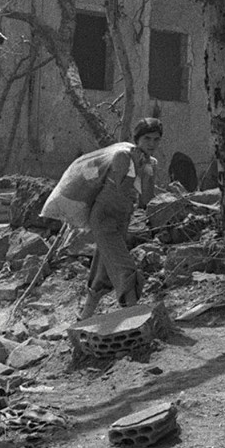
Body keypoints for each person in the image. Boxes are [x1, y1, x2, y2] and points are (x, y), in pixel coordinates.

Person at [80, 117, 163, 319]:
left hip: (122, 219)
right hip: (104, 217)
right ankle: (133, 317)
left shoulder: (150, 162)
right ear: (137, 139)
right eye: (147, 139)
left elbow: (146, 199)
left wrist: (148, 174)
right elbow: (121, 188)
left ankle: (84, 317)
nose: (151, 144)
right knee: (124, 266)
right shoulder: (123, 156)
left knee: (103, 269)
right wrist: (135, 166)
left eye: (156, 139)